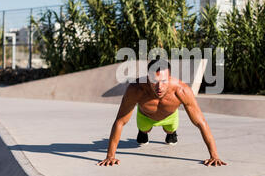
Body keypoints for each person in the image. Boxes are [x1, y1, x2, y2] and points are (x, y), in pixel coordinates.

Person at [97, 59, 227, 167]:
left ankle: (171, 133)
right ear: (148, 78)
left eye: (164, 81)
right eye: (154, 81)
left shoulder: (181, 90)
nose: (159, 87)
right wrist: (110, 156)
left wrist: (214, 156)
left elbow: (200, 122)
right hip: (145, 116)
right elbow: (120, 121)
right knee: (143, 133)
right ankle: (143, 133)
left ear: (169, 77)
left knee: (170, 133)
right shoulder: (136, 89)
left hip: (170, 116)